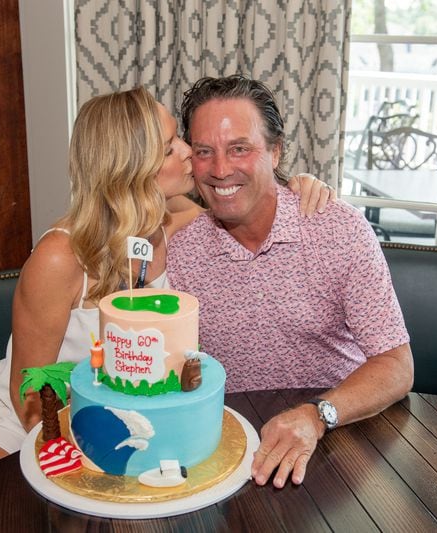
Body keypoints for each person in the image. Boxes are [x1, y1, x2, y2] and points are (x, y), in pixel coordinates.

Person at [0, 87, 333, 488]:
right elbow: (27, 394)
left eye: (178, 137)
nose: (188, 152)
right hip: (28, 423)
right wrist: (82, 460)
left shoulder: (176, 221)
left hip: (131, 426)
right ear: (129, 167)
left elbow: (249, 203)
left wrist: (296, 185)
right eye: (168, 148)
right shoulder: (60, 257)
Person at [166, 75, 414, 489]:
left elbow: (396, 366)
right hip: (232, 449)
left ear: (276, 150)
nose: (221, 169)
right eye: (205, 152)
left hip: (343, 438)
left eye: (240, 148)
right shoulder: (180, 249)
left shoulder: (338, 229)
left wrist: (317, 415)